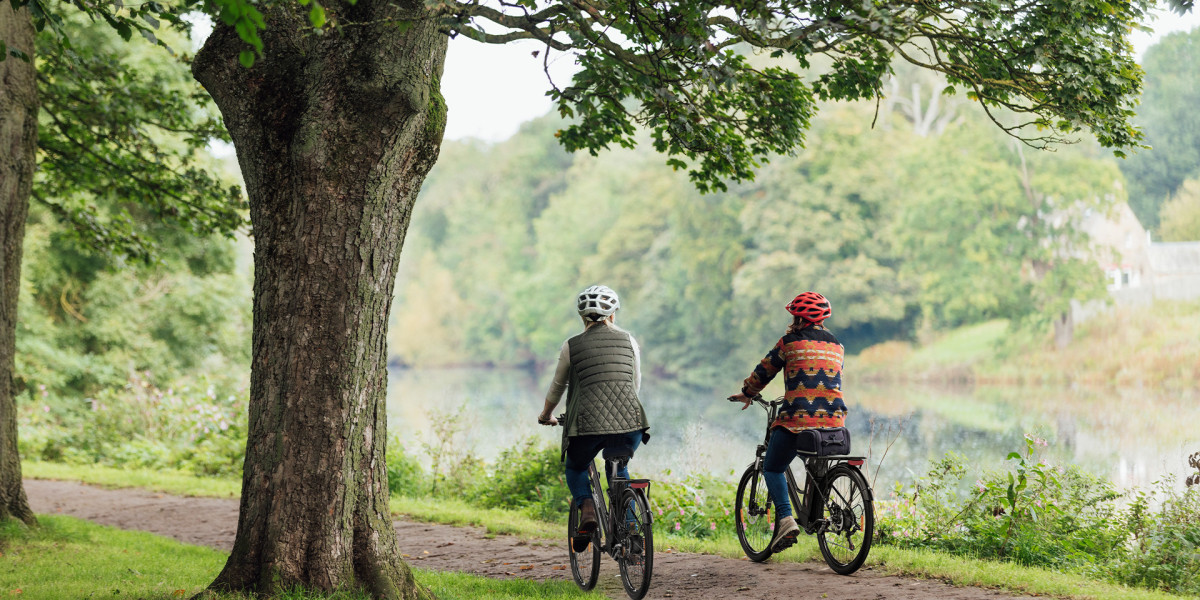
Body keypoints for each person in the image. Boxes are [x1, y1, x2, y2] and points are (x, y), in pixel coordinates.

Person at [728, 291, 847, 552]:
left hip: (798, 419)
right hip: (834, 421)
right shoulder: (837, 346)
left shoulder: (789, 343)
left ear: (797, 317)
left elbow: (764, 371)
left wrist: (747, 393)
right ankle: (819, 513)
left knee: (772, 466)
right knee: (816, 465)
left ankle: (785, 520)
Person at [538, 285, 650, 551]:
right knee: (619, 470)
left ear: (583, 317)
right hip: (630, 421)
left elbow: (558, 386)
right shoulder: (630, 341)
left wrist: (546, 415)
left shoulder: (571, 346)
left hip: (587, 425)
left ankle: (587, 509)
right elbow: (634, 383)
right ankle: (633, 534)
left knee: (576, 467)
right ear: (613, 315)